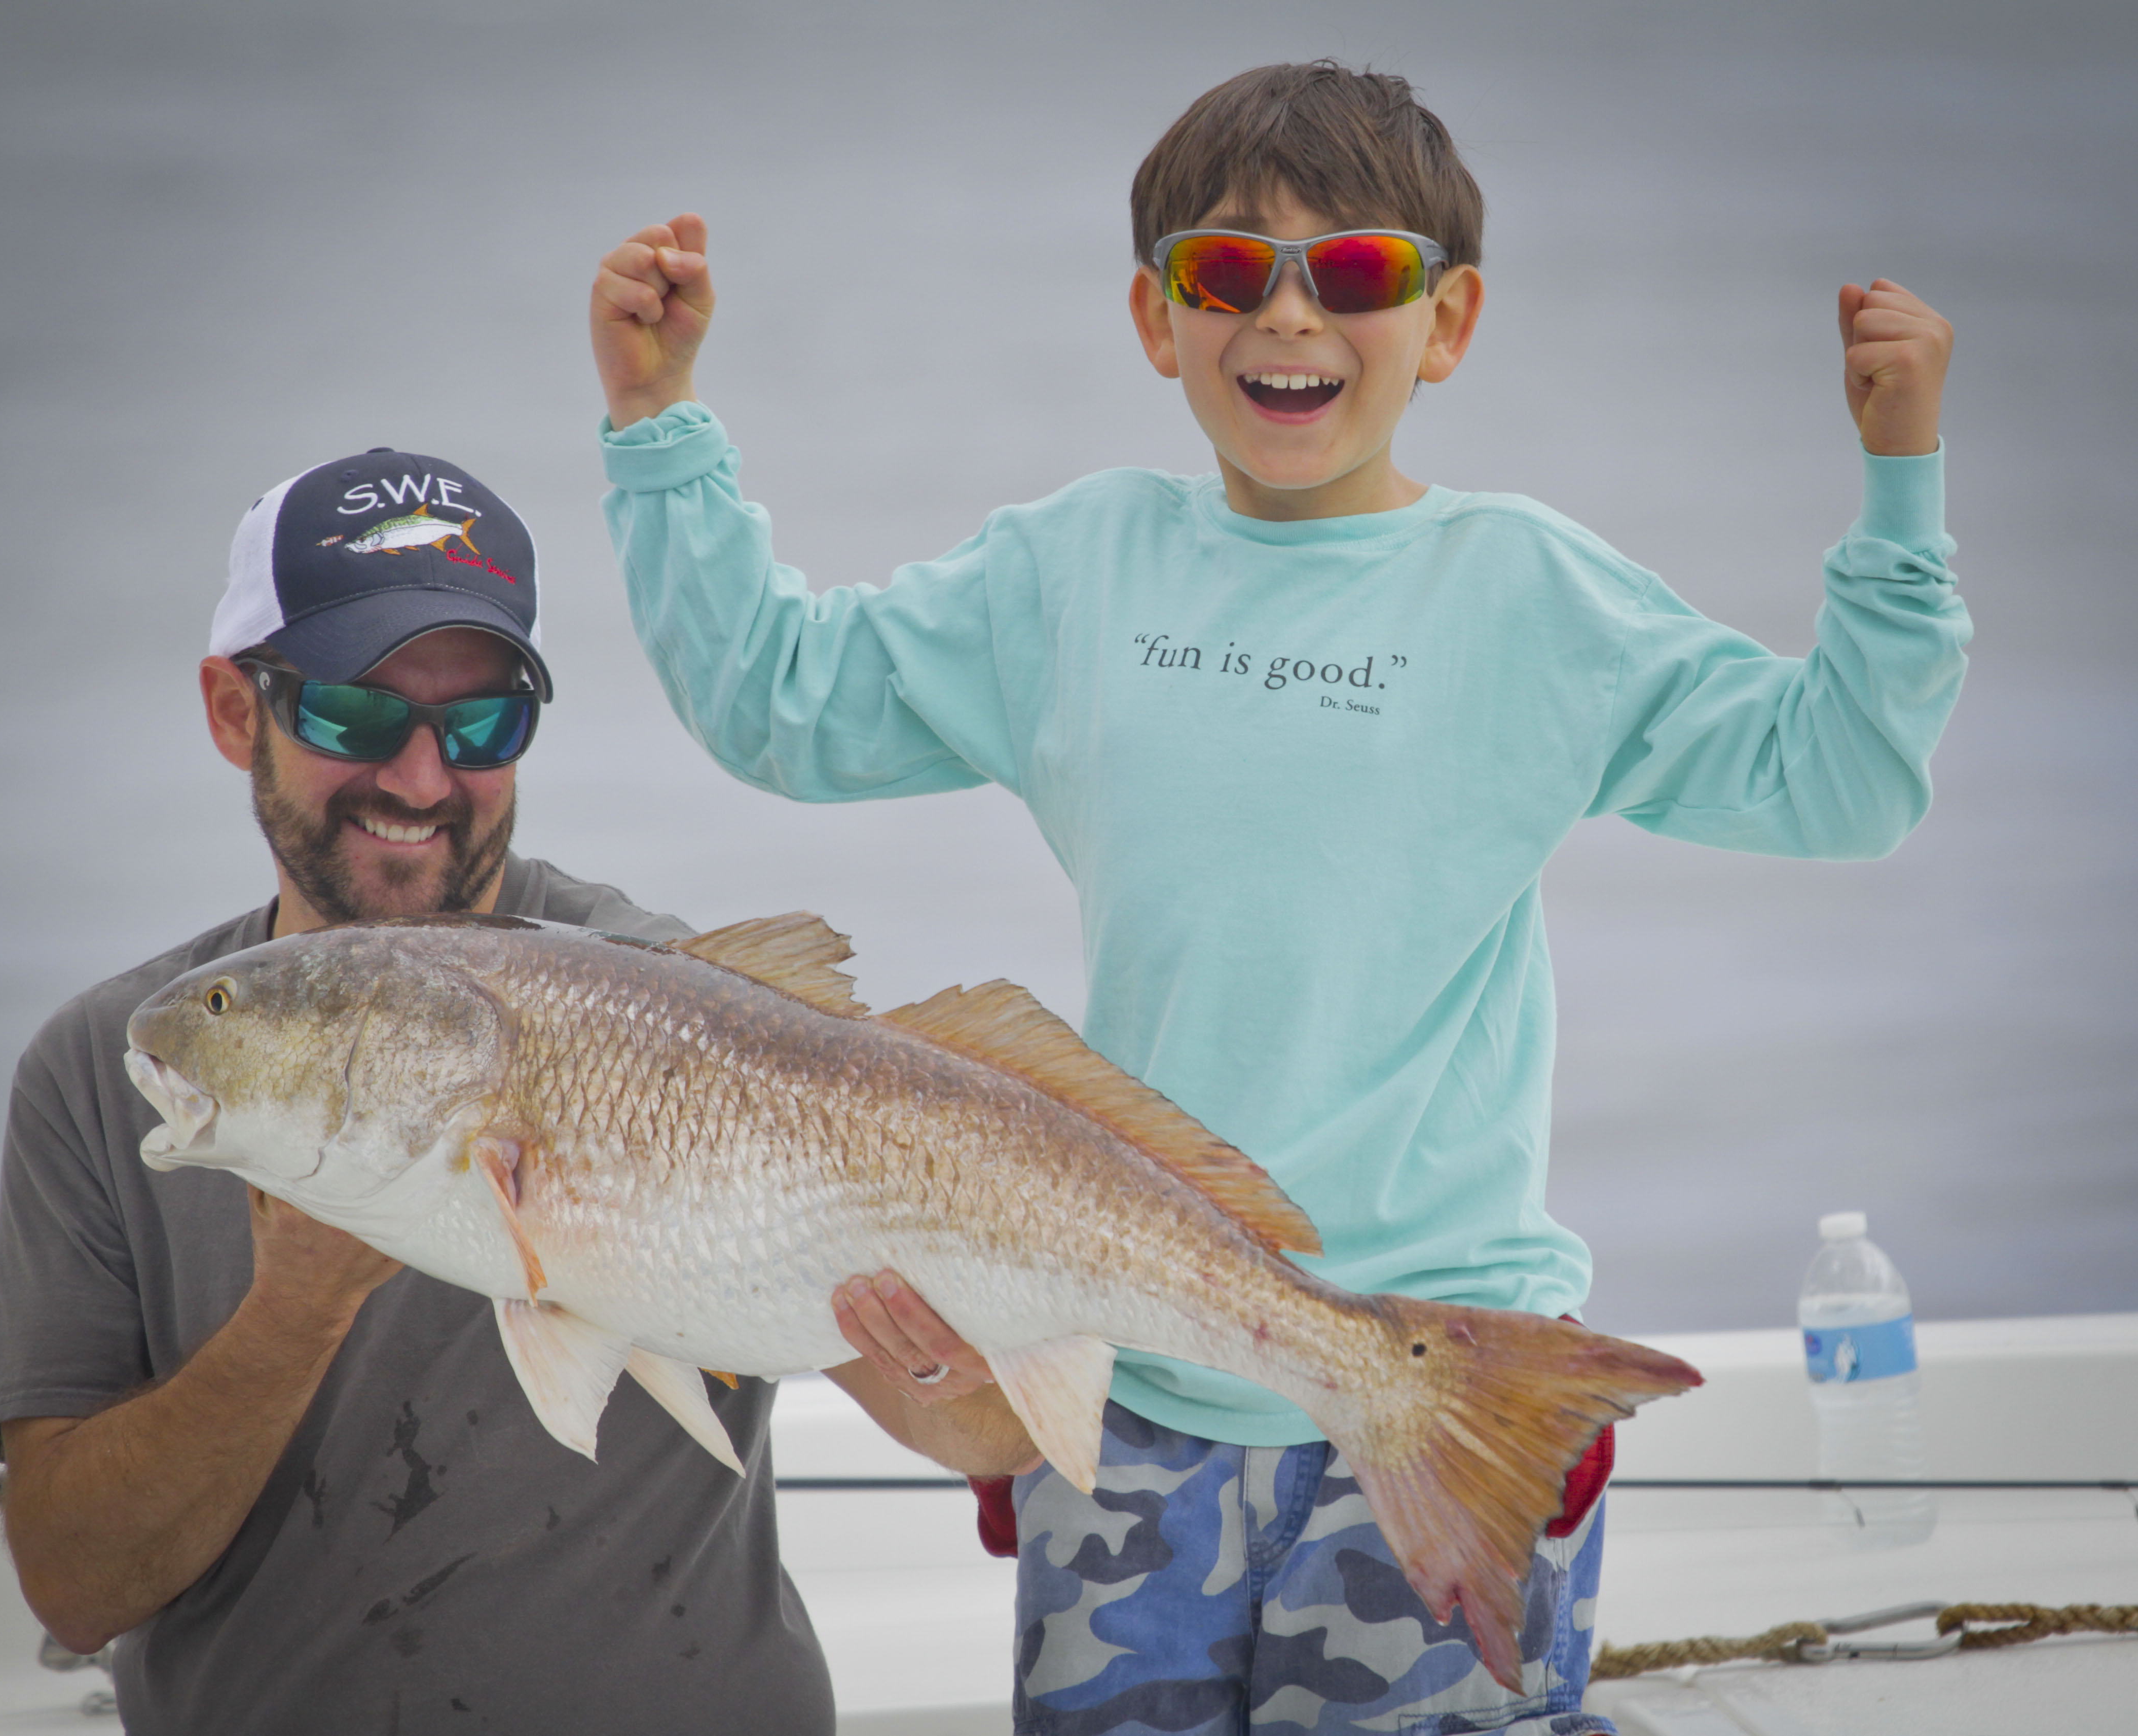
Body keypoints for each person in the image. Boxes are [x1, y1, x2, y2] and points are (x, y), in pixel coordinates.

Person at [585, 57, 1968, 1735]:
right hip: (1127, 1376)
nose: (1288, 315)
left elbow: (1843, 782)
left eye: (1359, 272)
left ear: (1446, 321)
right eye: (1229, 271)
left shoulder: (1525, 589)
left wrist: (1899, 490)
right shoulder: (1070, 572)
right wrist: (660, 427)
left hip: (1440, 1368)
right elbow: (774, 696)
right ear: (1157, 319)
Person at [0, 446, 1026, 1734]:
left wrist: (963, 1339)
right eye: (355, 716)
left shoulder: (675, 1012)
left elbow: (983, 1436)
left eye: (481, 726)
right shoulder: (119, 1064)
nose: (420, 780)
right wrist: (295, 1308)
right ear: (237, 711)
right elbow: (75, 1589)